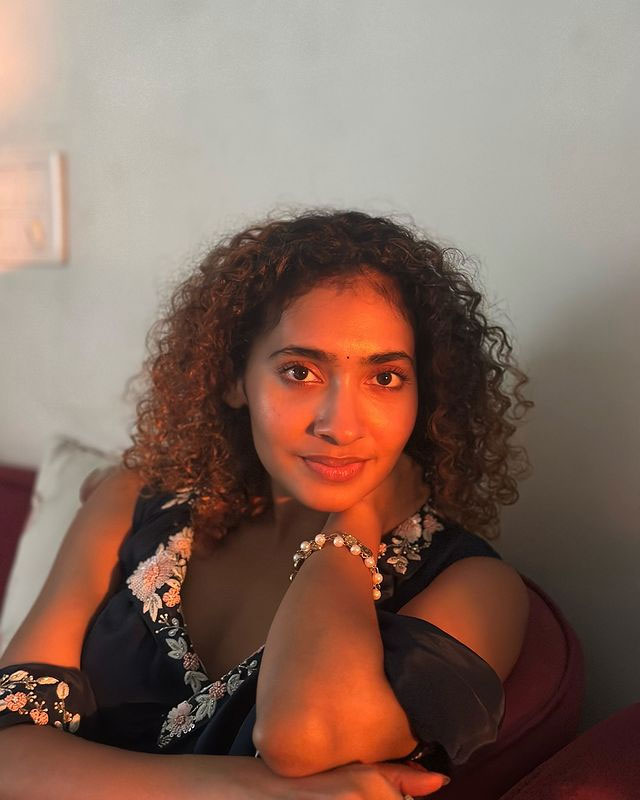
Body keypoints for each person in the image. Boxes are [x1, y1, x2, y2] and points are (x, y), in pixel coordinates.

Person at [0, 209, 532, 799]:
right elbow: (7, 748)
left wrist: (353, 527)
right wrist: (251, 789)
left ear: (424, 398)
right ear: (235, 379)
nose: (341, 426)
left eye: (385, 378)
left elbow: (302, 737)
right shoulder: (133, 500)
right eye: (300, 372)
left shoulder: (474, 587)